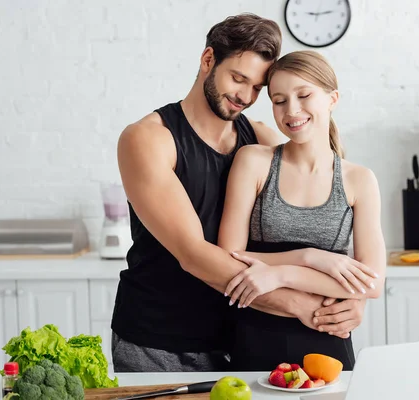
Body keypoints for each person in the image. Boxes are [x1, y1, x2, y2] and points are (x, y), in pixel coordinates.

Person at [111, 14, 368, 373]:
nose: (245, 97)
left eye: (257, 88)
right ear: (207, 60)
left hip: (241, 337)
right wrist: (310, 309)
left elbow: (304, 222)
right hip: (162, 342)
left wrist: (350, 302)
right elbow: (194, 255)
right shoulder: (149, 139)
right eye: (238, 78)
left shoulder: (261, 139)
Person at [218, 50, 387, 371]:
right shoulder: (254, 161)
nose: (291, 110)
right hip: (254, 337)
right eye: (279, 100)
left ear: (332, 98)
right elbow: (229, 256)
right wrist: (311, 258)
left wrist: (282, 273)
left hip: (328, 341)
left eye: (304, 95)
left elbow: (371, 283)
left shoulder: (359, 180)